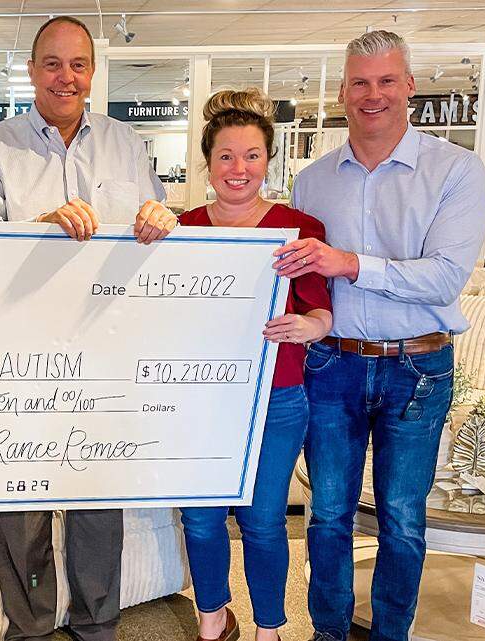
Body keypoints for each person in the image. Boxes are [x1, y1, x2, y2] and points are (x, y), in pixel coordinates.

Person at [0, 16, 176, 641]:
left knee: (97, 497)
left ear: (93, 71)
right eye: (52, 63)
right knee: (22, 502)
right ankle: (29, 625)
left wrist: (163, 220)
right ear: (31, 70)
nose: (66, 77)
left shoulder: (125, 143)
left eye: (78, 64)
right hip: (20, 354)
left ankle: (95, 623)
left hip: (104, 350)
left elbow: (153, 233)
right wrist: (40, 228)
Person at [274, 30, 485, 641]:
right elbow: (304, 283)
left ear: (410, 86)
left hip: (417, 368)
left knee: (402, 519)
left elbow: (444, 279)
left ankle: (392, 633)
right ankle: (328, 631)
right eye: (360, 83)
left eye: (387, 80)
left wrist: (349, 264)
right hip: (330, 364)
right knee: (327, 515)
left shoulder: (456, 170)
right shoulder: (313, 181)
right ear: (342, 92)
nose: (374, 95)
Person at [176, 89, 332, 641]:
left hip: (277, 397)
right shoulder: (182, 228)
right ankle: (213, 620)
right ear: (208, 162)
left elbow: (321, 311)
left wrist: (311, 327)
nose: (238, 168)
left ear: (269, 159)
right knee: (199, 517)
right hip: (199, 398)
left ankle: (269, 629)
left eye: (251, 155)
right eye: (225, 156)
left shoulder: (299, 227)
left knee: (263, 521)